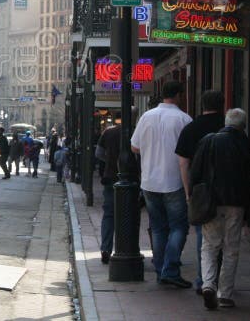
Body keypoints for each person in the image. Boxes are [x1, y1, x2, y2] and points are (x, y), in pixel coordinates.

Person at [131, 80, 193, 288]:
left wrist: (151, 149)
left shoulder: (146, 117)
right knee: (179, 226)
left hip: (149, 180)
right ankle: (170, 268)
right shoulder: (184, 119)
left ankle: (161, 269)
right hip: (174, 180)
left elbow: (134, 147)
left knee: (157, 228)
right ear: (177, 95)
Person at [190, 108, 250, 310]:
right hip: (236, 203)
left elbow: (196, 171)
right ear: (243, 126)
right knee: (231, 248)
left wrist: (192, 195)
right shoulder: (245, 144)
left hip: (211, 201)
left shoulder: (209, 140)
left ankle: (208, 284)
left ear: (226, 123)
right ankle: (225, 294)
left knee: (209, 245)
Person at [176, 90, 226, 295]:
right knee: (228, 240)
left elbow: (183, 162)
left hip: (201, 190)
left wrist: (188, 191)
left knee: (204, 238)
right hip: (228, 190)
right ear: (222, 105)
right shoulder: (228, 127)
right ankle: (222, 281)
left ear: (202, 105)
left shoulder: (191, 128)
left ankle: (205, 280)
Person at [96, 117, 122, 264]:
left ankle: (106, 248)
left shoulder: (108, 132)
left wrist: (110, 161)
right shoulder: (133, 132)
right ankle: (125, 248)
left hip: (110, 177)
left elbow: (98, 154)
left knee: (109, 215)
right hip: (131, 178)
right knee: (129, 216)